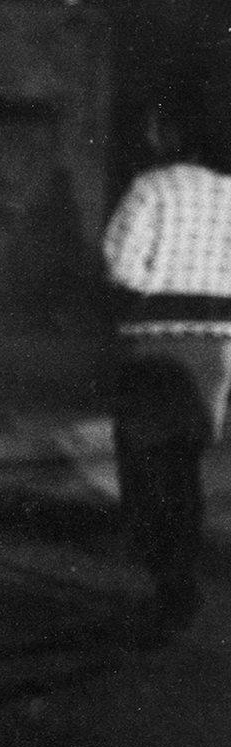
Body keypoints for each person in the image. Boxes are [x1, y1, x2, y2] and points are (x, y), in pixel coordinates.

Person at [103, 82, 231, 638]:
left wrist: (157, 281)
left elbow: (120, 266)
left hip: (152, 348)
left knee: (148, 464)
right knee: (185, 465)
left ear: (167, 133)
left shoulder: (149, 189)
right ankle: (180, 579)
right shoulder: (230, 193)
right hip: (211, 351)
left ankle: (164, 577)